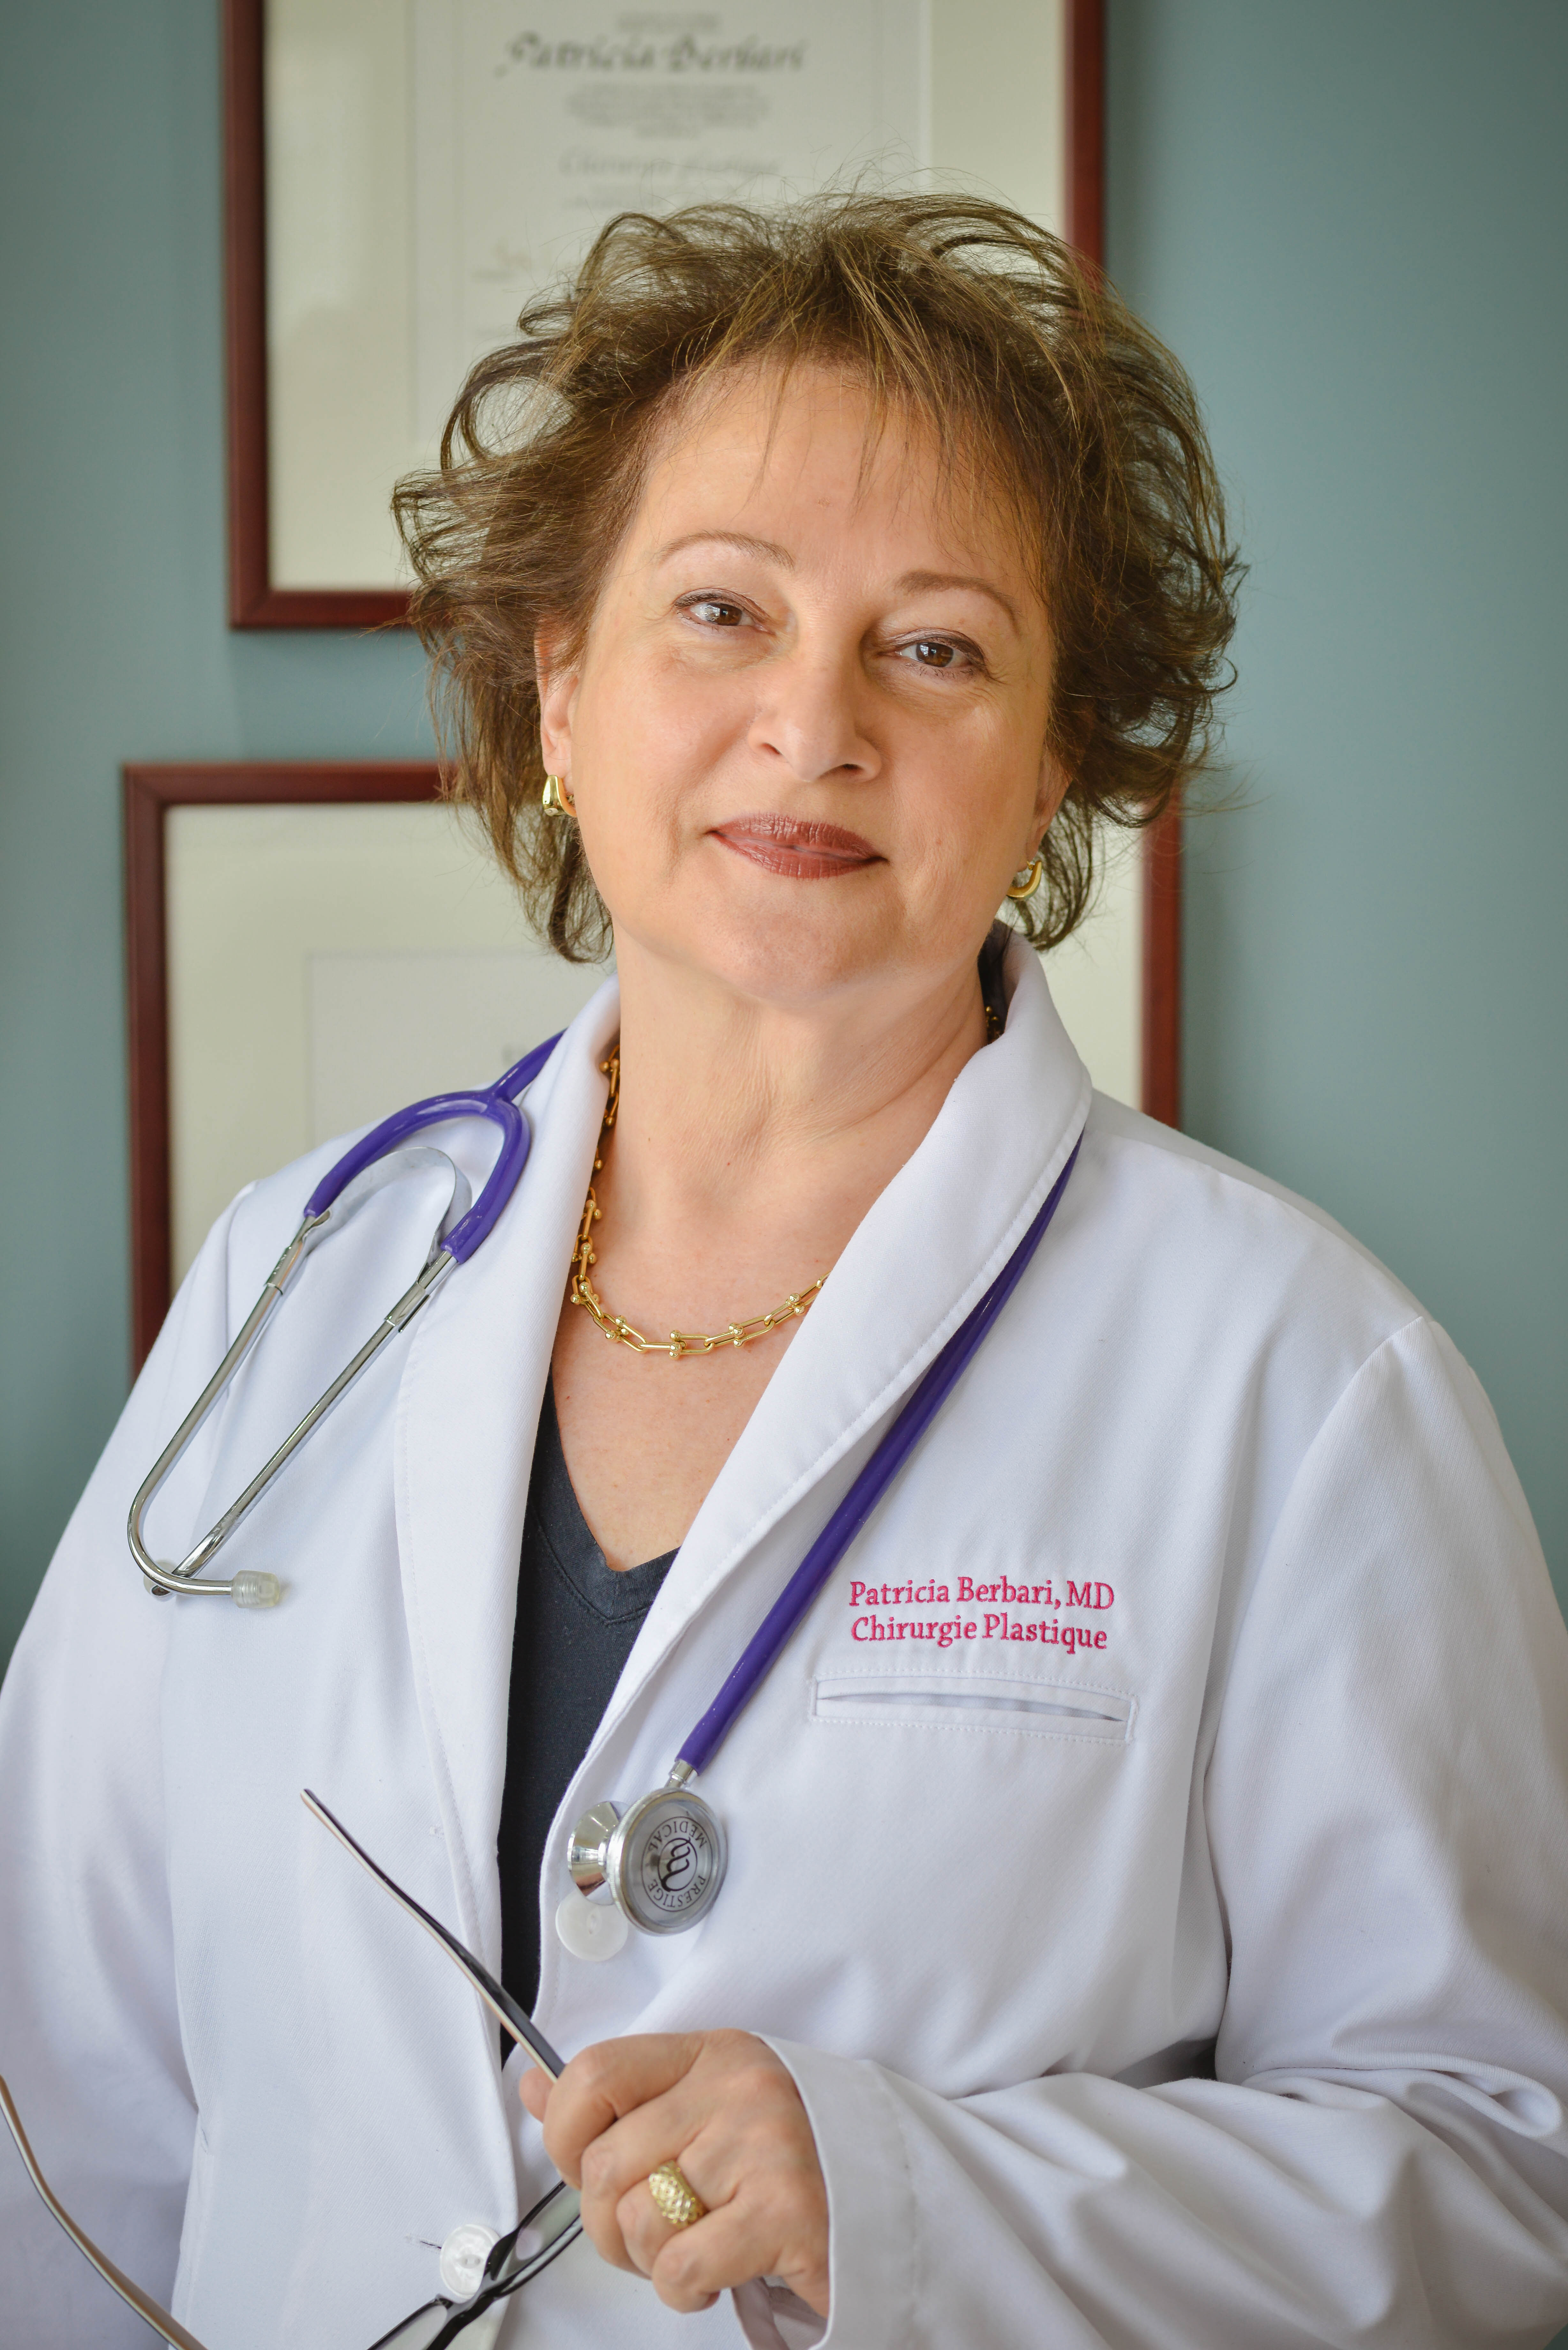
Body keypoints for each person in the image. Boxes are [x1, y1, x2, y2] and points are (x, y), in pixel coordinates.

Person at [2, 192, 1566, 2350]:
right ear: (559, 689)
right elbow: (58, 2098)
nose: (812, 725)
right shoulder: (301, 1279)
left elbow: (1506, 2179)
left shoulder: (1300, 1381)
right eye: (720, 612)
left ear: (1055, 772)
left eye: (935, 646)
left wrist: (919, 2198)